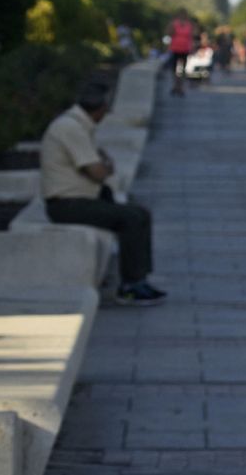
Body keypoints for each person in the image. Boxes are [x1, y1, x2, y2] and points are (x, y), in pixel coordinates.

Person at [41, 76, 166, 306]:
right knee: (131, 218)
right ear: (99, 109)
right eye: (106, 109)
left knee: (139, 214)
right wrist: (106, 166)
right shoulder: (70, 128)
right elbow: (97, 171)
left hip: (79, 199)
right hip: (67, 205)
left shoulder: (76, 125)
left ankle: (139, 279)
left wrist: (103, 165)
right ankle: (130, 286)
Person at [166, 9, 196, 96]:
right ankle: (176, 85)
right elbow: (168, 34)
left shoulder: (189, 25)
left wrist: (192, 48)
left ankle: (180, 86)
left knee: (183, 69)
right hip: (175, 48)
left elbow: (191, 37)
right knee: (174, 69)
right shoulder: (174, 24)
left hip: (185, 49)